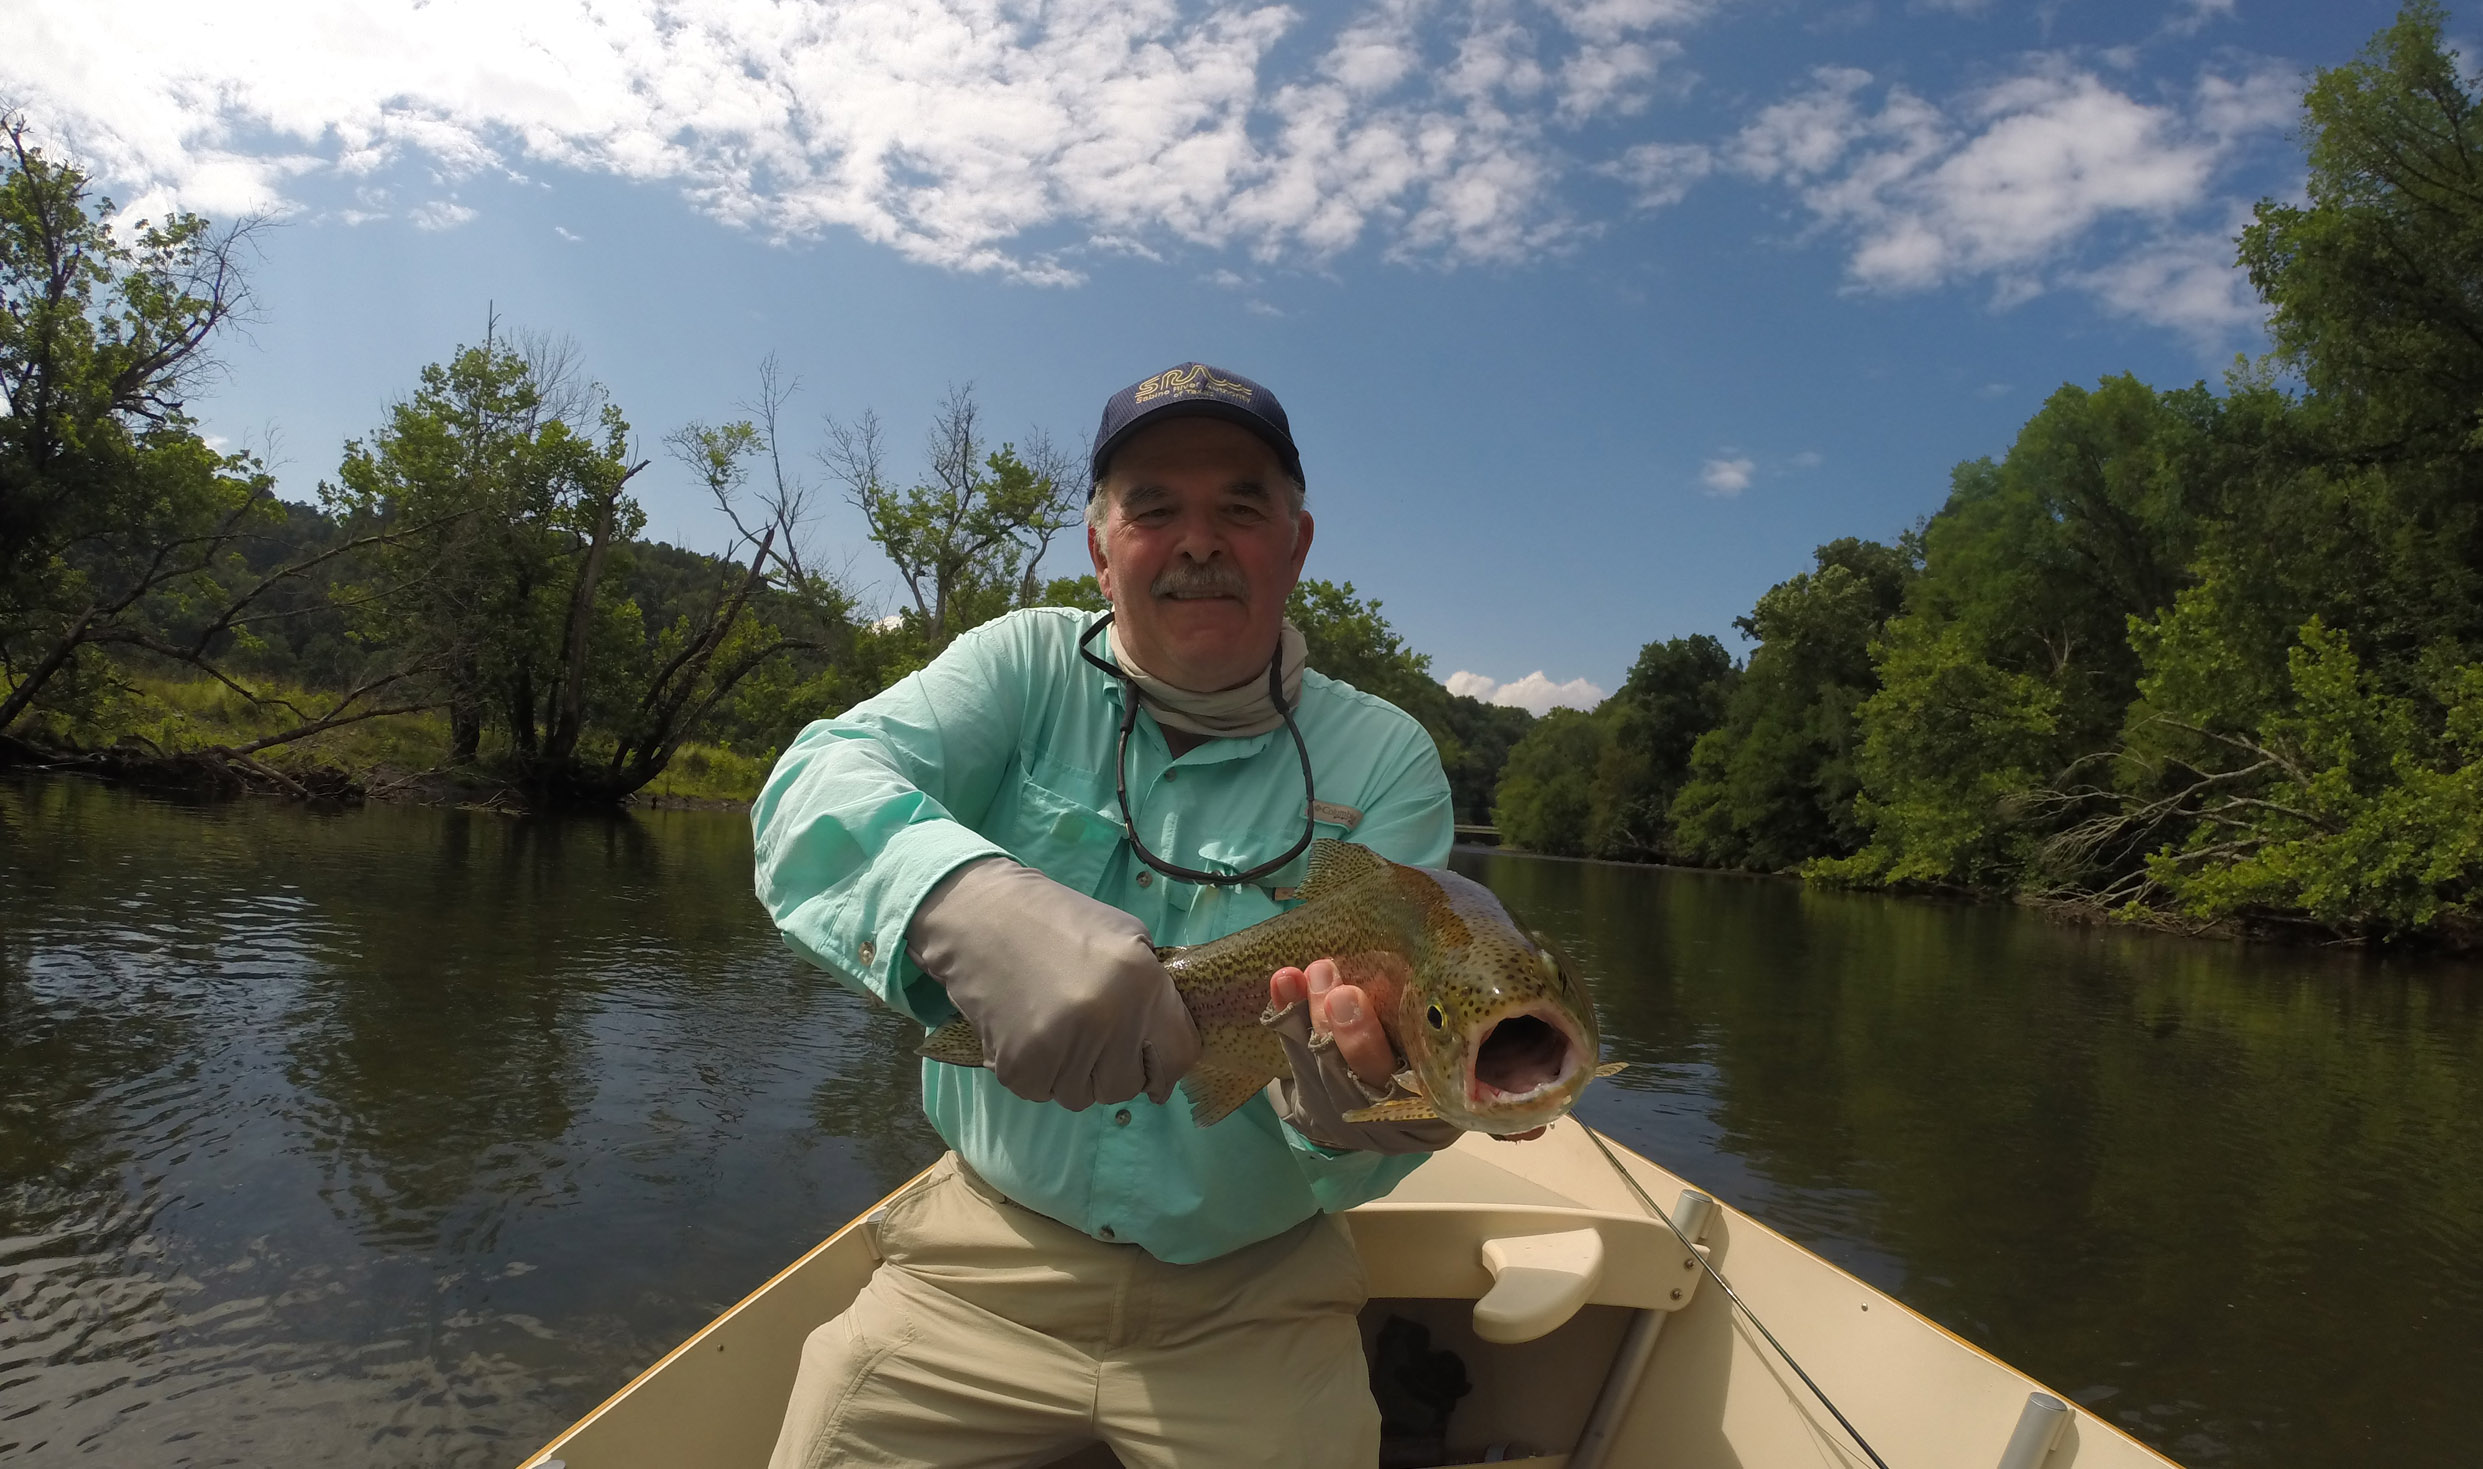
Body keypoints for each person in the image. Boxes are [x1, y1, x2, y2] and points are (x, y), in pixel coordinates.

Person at [754, 361, 1462, 1469]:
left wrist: (1378, 1108)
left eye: (1240, 506)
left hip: (1256, 1301)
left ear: (1296, 542)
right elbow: (811, 784)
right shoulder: (1020, 666)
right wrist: (961, 896)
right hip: (973, 1268)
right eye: (1153, 508)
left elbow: (1398, 1044)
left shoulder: (1387, 759)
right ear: (1098, 544)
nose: (1198, 541)